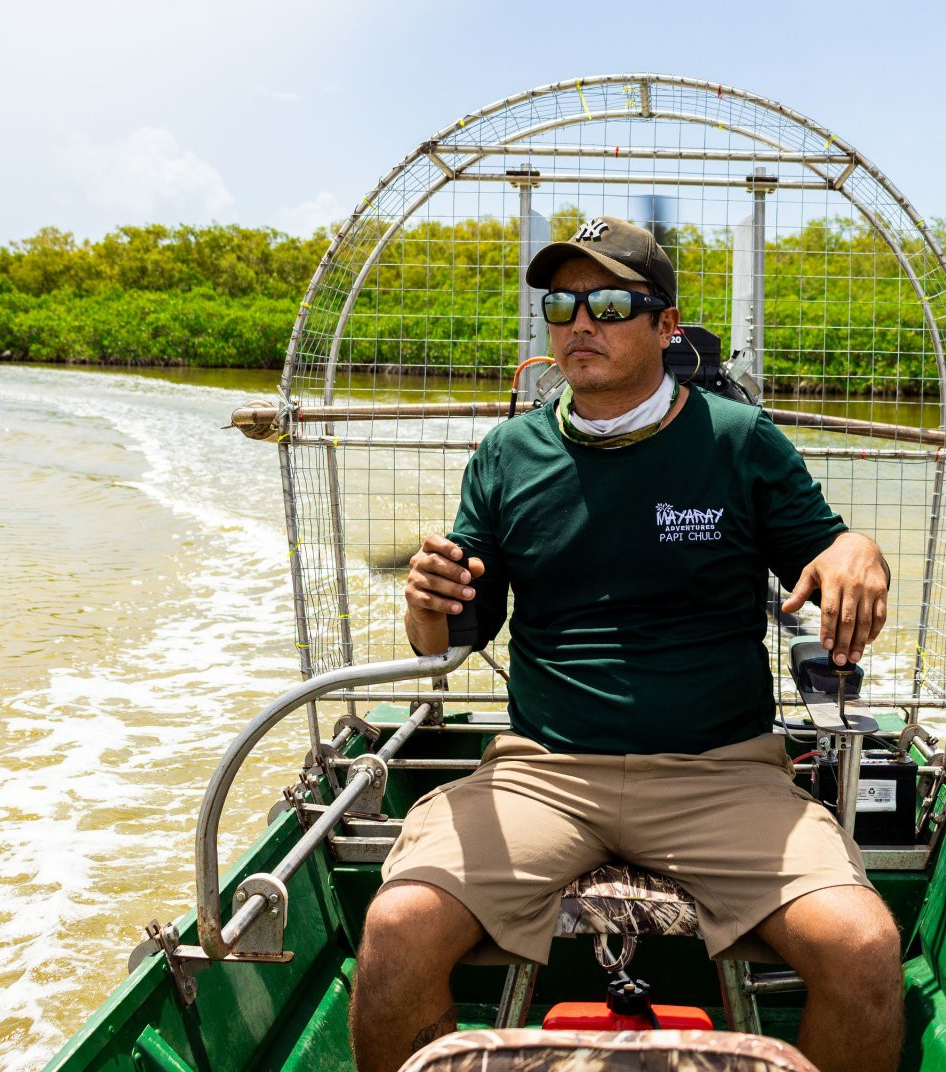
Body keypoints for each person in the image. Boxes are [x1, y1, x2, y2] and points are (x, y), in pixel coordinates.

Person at [353, 218, 902, 1072]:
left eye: (609, 304)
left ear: (666, 325)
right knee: (396, 930)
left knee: (863, 949)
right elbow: (453, 635)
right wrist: (427, 603)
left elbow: (831, 556)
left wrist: (860, 550)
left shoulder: (737, 440)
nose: (581, 323)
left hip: (720, 774)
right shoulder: (507, 455)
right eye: (562, 305)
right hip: (544, 772)